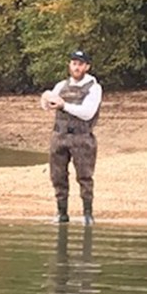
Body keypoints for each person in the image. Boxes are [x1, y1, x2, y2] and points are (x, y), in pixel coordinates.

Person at [40, 49, 103, 225]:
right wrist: (45, 98)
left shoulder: (94, 88)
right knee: (57, 175)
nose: (76, 67)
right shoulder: (61, 85)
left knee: (84, 176)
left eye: (80, 64)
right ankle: (61, 213)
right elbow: (47, 105)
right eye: (74, 63)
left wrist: (63, 105)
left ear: (87, 67)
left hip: (82, 137)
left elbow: (87, 113)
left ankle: (88, 214)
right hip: (59, 136)